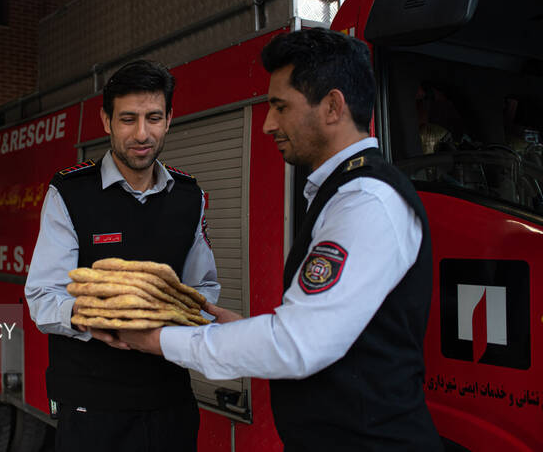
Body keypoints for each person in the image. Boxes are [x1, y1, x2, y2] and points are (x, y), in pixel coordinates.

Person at [119, 28, 443, 451]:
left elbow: (299, 343)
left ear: (332, 107)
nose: (268, 124)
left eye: (280, 106)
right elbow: (324, 326)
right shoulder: (343, 193)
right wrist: (245, 330)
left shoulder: (365, 201)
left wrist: (158, 340)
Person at [24, 59, 220, 452]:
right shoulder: (70, 193)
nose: (142, 134)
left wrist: (176, 323)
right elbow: (43, 296)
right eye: (128, 119)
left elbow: (202, 289)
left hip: (169, 399)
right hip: (91, 404)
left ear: (169, 120)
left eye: (153, 118)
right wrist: (92, 318)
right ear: (106, 121)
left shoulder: (189, 196)